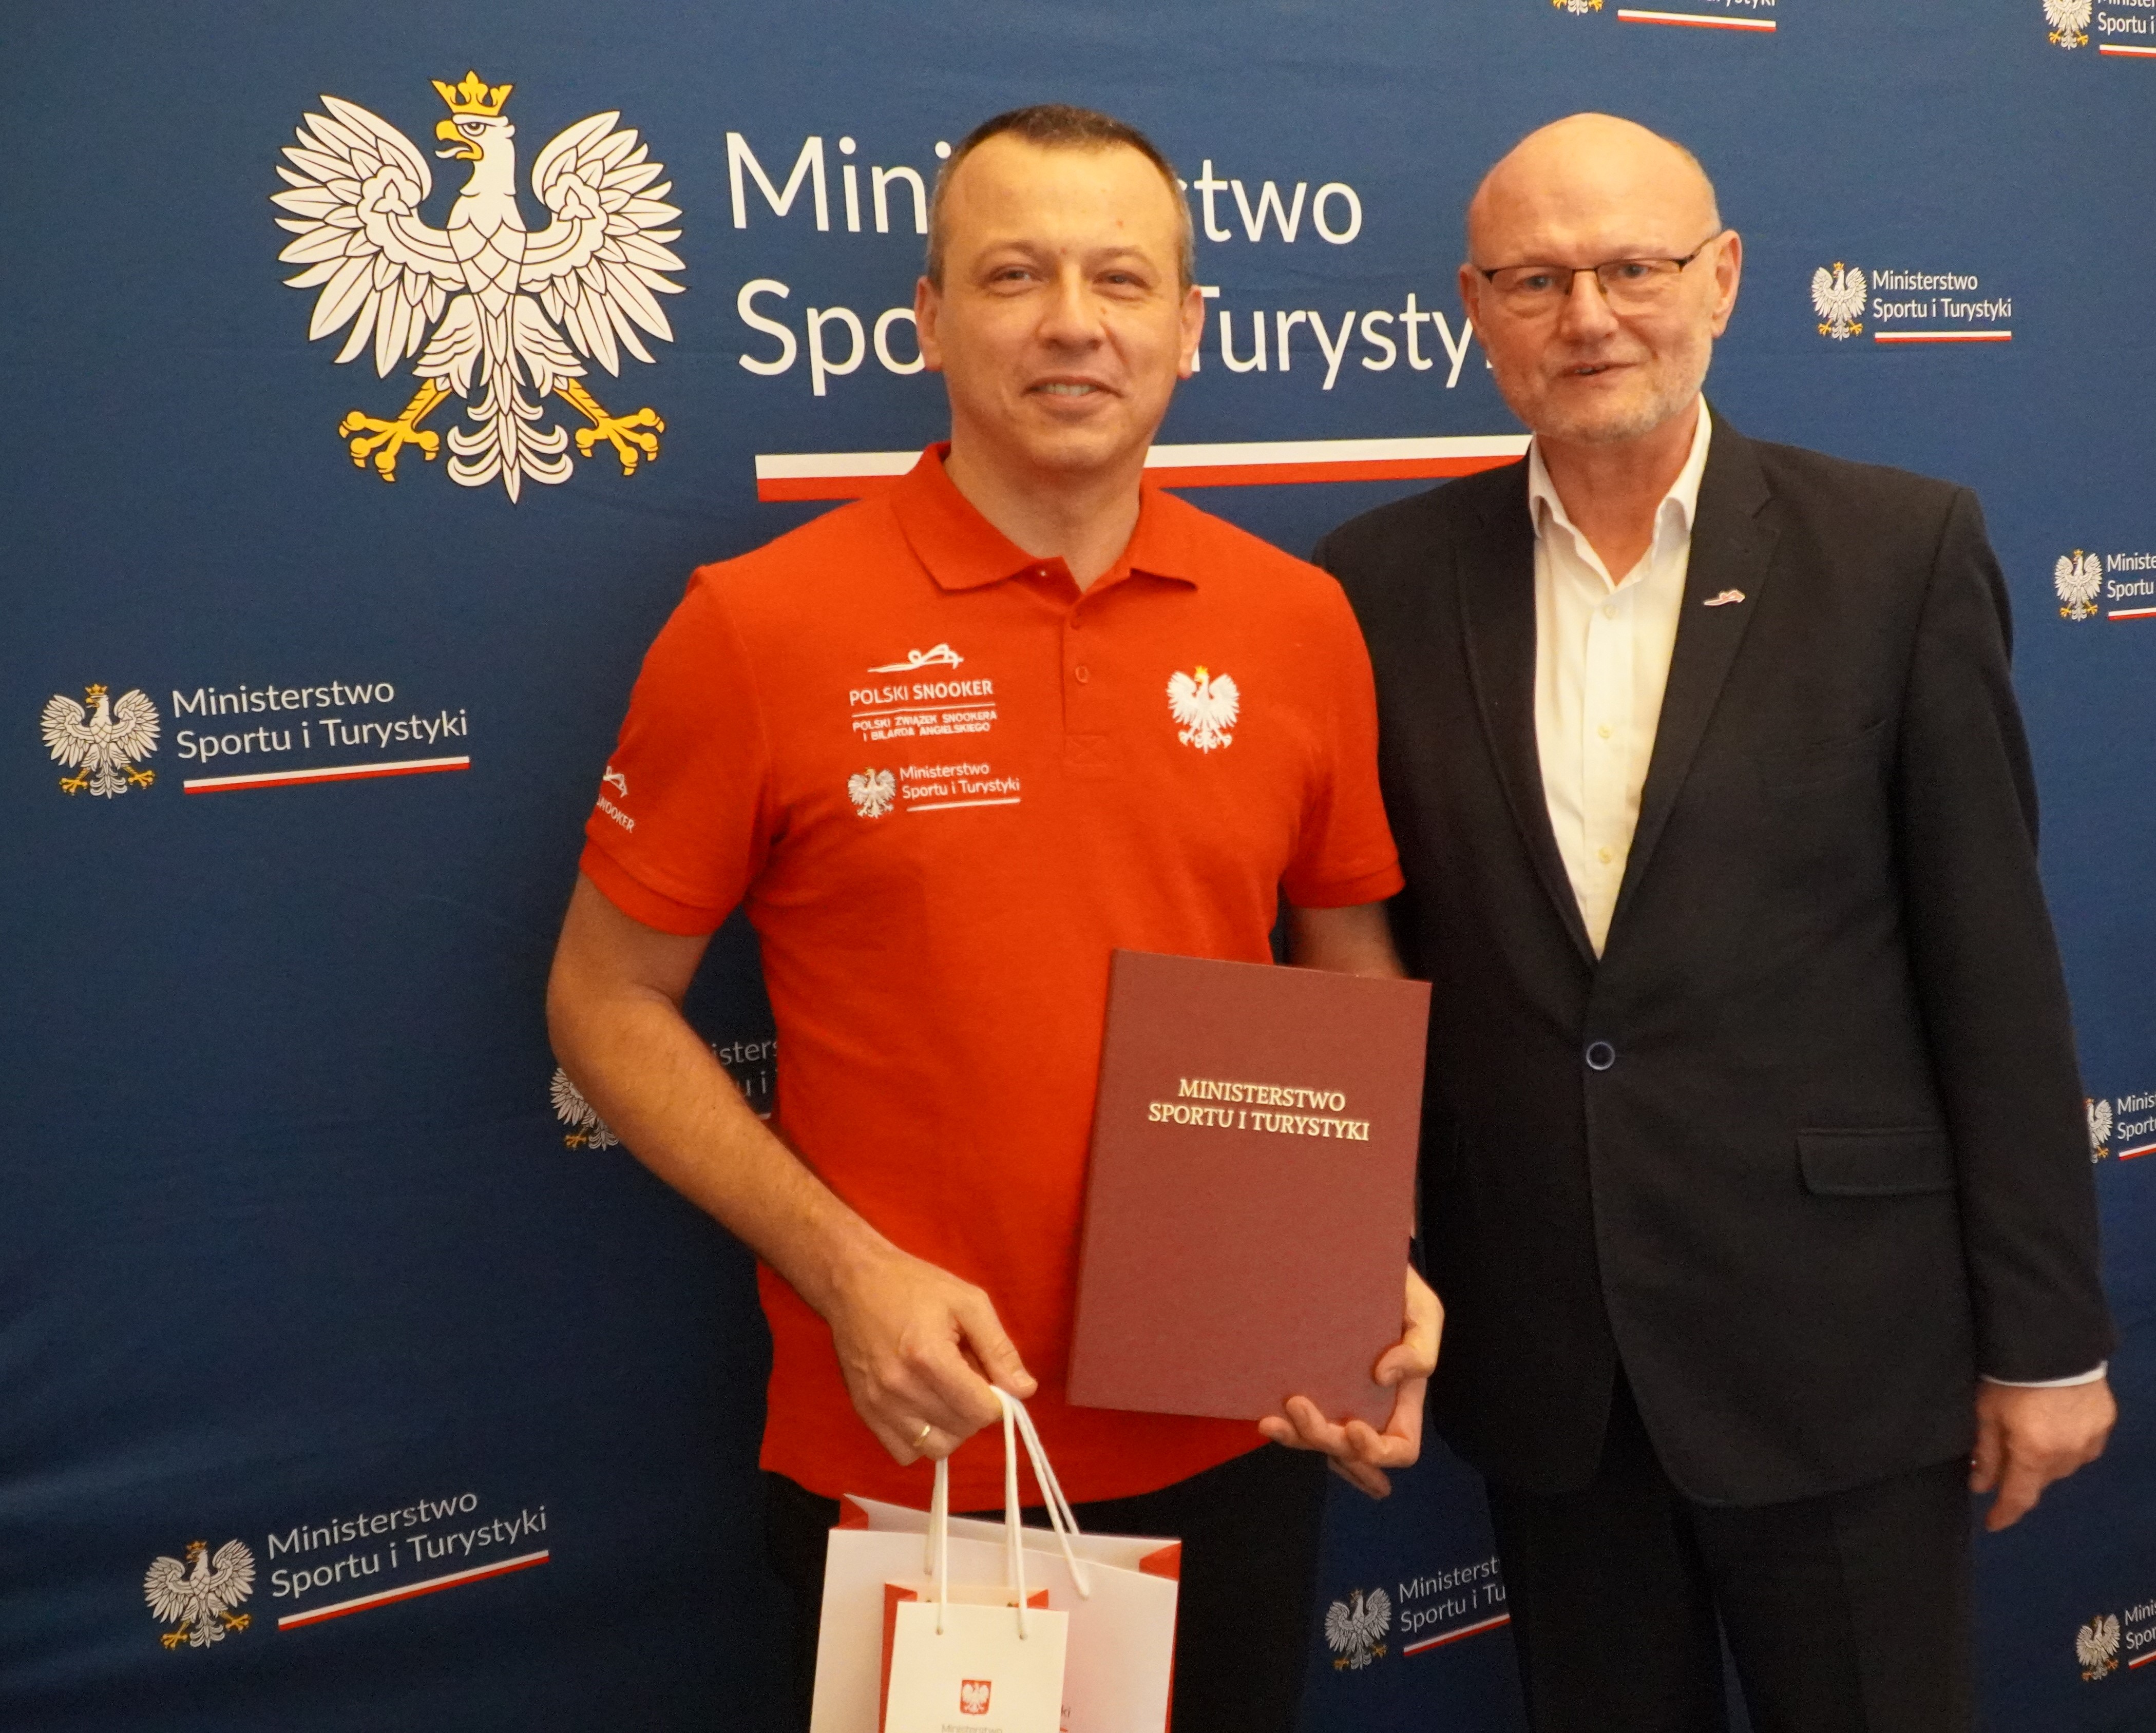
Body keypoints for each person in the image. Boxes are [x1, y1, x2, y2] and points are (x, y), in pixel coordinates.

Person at [546, 103, 1439, 1731]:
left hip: (1242, 1427)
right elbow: (604, 1000)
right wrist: (844, 1270)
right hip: (921, 1450)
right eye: (1015, 275)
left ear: (1191, 326)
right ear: (930, 319)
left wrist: (1356, 1260)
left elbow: (1348, 967)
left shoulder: (1301, 621)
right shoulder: (757, 626)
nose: (1073, 323)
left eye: (1121, 278)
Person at [1314, 113, 2116, 1733]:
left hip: (1841, 1349)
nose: (1588, 317)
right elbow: (1353, 962)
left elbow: (1994, 974)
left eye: (1633, 267)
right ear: (1475, 309)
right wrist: (1328, 1283)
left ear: (1725, 279)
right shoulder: (1377, 584)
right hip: (1548, 1361)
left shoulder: (1900, 553)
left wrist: (2047, 1345)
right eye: (1536, 281)